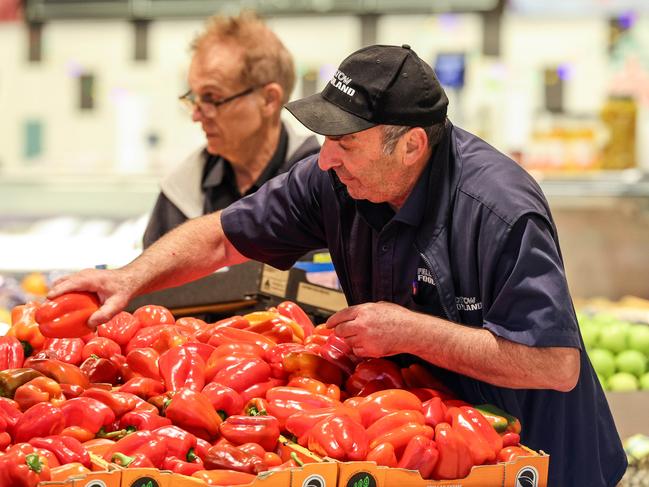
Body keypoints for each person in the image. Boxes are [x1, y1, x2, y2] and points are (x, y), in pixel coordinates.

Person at [51, 44, 626, 486]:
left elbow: (555, 366)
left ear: (410, 147)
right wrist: (128, 278)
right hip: (436, 449)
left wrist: (411, 333)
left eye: (345, 142)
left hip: (543, 463)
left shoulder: (498, 211)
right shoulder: (336, 179)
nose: (324, 156)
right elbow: (222, 239)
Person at [142, 12, 320, 248]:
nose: (196, 115)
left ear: (269, 100)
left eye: (212, 98)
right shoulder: (182, 190)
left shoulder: (324, 185)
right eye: (194, 97)